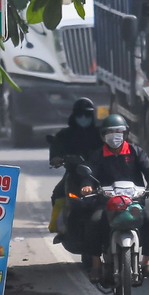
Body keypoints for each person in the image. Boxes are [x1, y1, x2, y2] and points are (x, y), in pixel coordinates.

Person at [80, 114, 149, 282]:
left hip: (133, 203)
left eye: (118, 131)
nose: (115, 135)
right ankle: (96, 265)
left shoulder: (135, 152)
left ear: (125, 134)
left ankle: (147, 261)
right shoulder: (98, 155)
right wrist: (87, 185)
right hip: (106, 203)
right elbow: (90, 172)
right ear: (104, 135)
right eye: (110, 132)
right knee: (94, 223)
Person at [48, 98, 101, 233]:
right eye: (80, 115)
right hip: (74, 174)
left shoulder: (100, 134)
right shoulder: (64, 135)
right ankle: (61, 229)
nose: (83, 118)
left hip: (98, 175)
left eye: (87, 115)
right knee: (57, 194)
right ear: (74, 115)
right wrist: (57, 159)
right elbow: (55, 152)